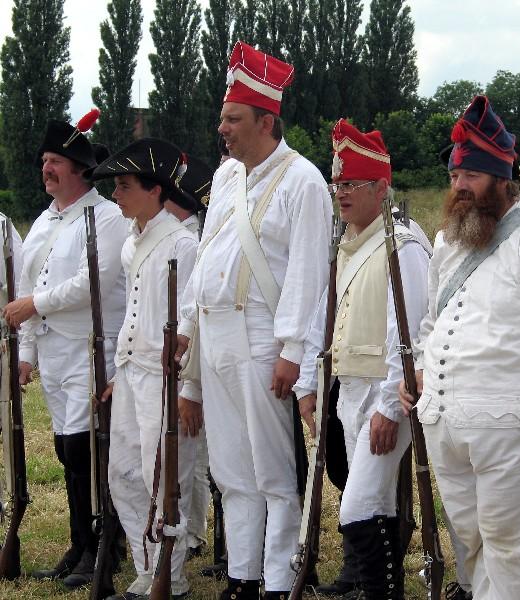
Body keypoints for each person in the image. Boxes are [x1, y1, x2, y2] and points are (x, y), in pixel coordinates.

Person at [400, 95, 520, 600]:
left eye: (473, 175)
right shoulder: (448, 242)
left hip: (515, 427)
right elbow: (432, 320)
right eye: (455, 175)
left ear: (504, 179)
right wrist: (421, 368)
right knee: (473, 543)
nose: (460, 186)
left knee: (516, 546)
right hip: (446, 423)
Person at [175, 41, 332, 600]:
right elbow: (206, 256)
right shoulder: (225, 178)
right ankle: (242, 576)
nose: (223, 129)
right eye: (223, 118)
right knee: (231, 468)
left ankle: (279, 580)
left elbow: (310, 275)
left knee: (273, 471)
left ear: (267, 121)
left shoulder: (303, 180)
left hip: (264, 334)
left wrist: (293, 351)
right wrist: (187, 330)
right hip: (216, 330)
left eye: (233, 119)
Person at [294, 118, 429, 599]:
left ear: (381, 188)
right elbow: (322, 320)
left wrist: (390, 407)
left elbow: (408, 333)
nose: (342, 192)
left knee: (357, 508)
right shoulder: (349, 246)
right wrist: (307, 385)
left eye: (352, 183)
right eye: (338, 183)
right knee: (376, 504)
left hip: (383, 393)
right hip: (349, 390)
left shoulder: (402, 247)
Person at [3, 114, 127, 588]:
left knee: (85, 449)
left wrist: (34, 305)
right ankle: (80, 543)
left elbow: (92, 283)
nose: (46, 169)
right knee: (65, 448)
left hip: (92, 348)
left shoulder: (107, 217)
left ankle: (102, 546)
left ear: (78, 168)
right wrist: (27, 354)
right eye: (44, 161)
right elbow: (27, 287)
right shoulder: (43, 221)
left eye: (54, 161)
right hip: (55, 352)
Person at [88, 138, 201, 599]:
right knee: (124, 474)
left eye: (125, 186)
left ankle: (170, 576)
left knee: (166, 478)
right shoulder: (132, 245)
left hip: (164, 378)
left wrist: (188, 387)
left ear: (155, 190)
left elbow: (191, 323)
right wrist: (120, 371)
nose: (116, 195)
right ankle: (145, 567)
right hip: (133, 372)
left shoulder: (183, 244)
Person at [164, 153, 213, 561]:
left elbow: (191, 311)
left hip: (192, 360)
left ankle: (194, 531)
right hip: (183, 357)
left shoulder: (189, 243)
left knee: (194, 451)